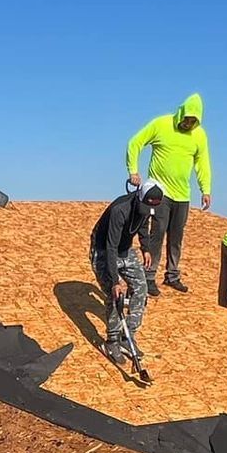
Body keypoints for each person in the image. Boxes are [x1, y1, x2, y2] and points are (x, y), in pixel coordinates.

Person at [125, 93, 212, 296]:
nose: (189, 124)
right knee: (157, 232)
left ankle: (172, 275)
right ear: (181, 113)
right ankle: (149, 276)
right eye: (187, 119)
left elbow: (202, 163)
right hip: (160, 193)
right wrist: (133, 171)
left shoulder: (200, 135)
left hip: (183, 195)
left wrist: (205, 189)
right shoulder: (161, 124)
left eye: (193, 121)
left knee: (176, 236)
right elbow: (134, 143)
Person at [89, 184, 164, 378]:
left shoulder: (146, 207)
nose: (146, 212)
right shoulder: (119, 210)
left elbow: (144, 227)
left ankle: (127, 336)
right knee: (115, 295)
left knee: (141, 288)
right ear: (138, 197)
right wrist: (115, 280)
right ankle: (112, 341)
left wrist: (145, 248)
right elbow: (111, 246)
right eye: (144, 207)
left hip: (126, 250)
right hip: (104, 251)